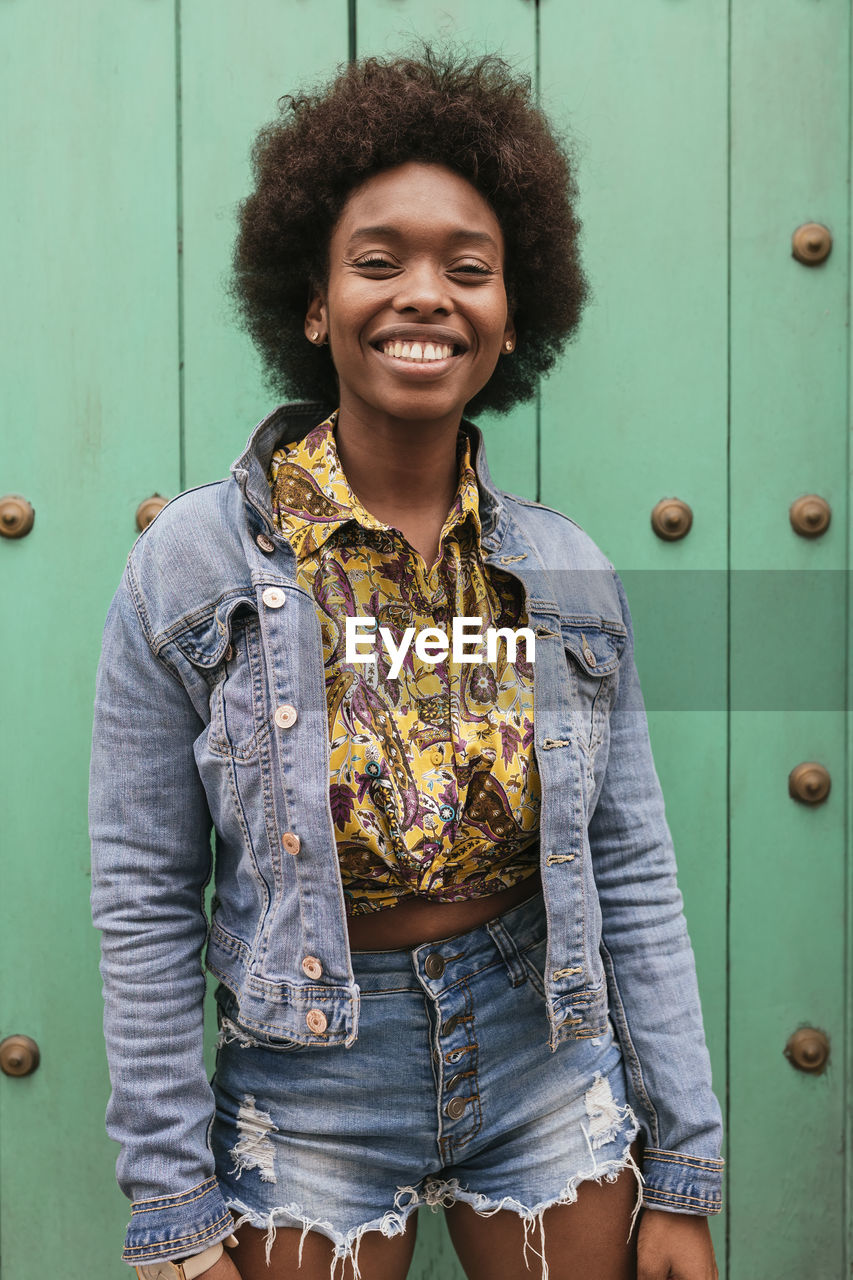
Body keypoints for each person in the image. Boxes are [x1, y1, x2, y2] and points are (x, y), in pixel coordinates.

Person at [90, 49, 723, 1280]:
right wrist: (173, 1212)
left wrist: (684, 1170)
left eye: (467, 269)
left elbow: (632, 867)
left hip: (548, 1047)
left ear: (510, 317)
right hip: (309, 1074)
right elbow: (142, 893)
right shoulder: (188, 567)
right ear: (314, 302)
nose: (424, 294)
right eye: (378, 261)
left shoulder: (568, 572)